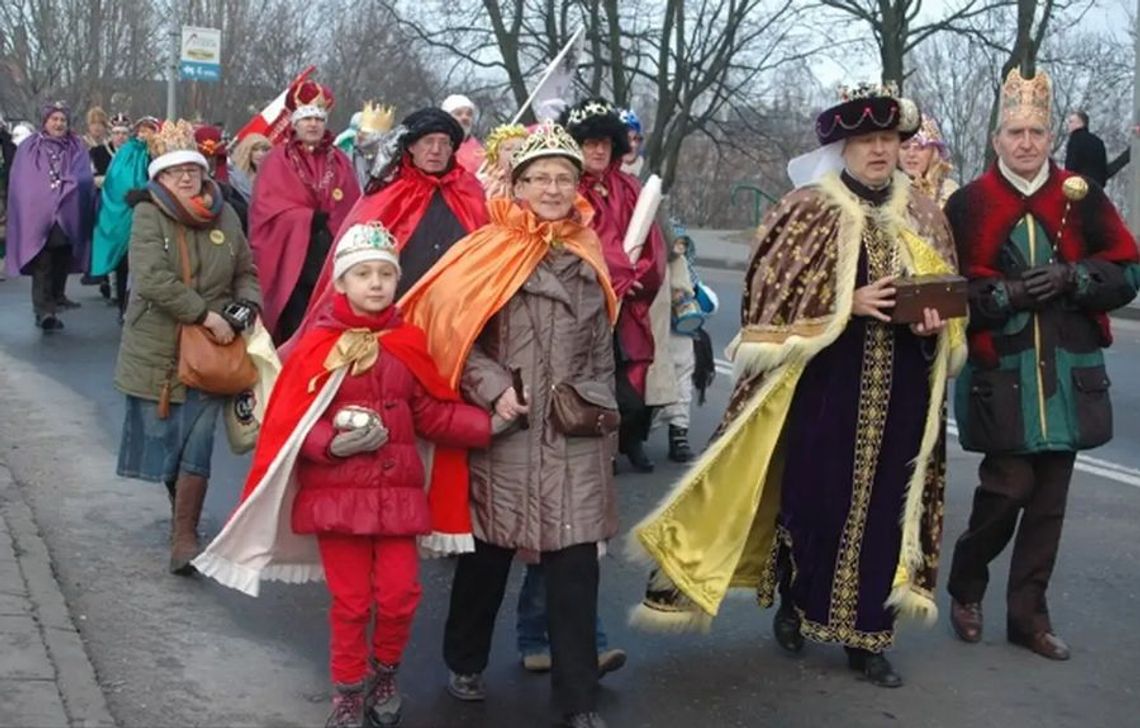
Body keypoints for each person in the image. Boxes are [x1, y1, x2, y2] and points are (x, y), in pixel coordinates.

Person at [630, 83, 967, 690]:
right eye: (866, 139)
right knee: (816, 500)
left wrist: (936, 320)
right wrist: (848, 302)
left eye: (888, 139)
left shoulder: (923, 213)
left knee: (887, 510)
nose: (879, 151)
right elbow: (768, 301)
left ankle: (869, 639)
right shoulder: (807, 207)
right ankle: (794, 600)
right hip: (826, 384)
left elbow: (949, 295)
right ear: (843, 145)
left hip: (904, 389)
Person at [193, 221, 496, 728]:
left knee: (400, 597)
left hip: (399, 501)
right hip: (336, 501)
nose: (375, 284)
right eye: (363, 274)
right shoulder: (316, 344)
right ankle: (349, 690)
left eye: (384, 274)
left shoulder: (407, 343)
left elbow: (430, 413)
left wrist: (492, 424)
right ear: (340, 283)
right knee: (352, 603)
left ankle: (386, 674)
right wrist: (330, 444)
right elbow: (291, 421)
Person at [398, 121, 620, 728]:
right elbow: (452, 338)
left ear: (579, 187)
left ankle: (578, 699)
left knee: (576, 569)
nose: (552, 188)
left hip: (574, 431)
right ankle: (464, 658)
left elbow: (602, 347)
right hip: (507, 431)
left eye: (563, 177)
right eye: (539, 177)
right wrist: (495, 390)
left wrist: (605, 415)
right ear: (517, 185)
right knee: (487, 558)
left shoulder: (585, 251)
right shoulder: (486, 251)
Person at [945, 69, 1140, 661]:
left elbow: (1128, 271)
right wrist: (1004, 296)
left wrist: (1074, 277)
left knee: (1049, 504)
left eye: (1036, 131)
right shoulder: (970, 203)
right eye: (1014, 131)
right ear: (997, 138)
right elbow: (947, 291)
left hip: (1068, 376)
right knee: (1006, 490)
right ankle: (967, 583)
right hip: (1000, 376)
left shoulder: (1080, 195)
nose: (1026, 142)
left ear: (1050, 134)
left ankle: (1029, 616)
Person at [113, 119, 260, 575]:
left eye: (192, 171)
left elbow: (247, 271)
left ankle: (185, 538)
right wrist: (204, 314)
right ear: (160, 177)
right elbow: (153, 278)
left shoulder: (227, 213)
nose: (186, 178)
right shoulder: (147, 214)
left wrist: (244, 309)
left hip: (214, 350)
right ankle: (182, 510)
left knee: (199, 440)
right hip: (161, 343)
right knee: (167, 444)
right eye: (175, 173)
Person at [298, 107, 487, 318]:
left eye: (444, 143)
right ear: (411, 147)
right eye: (428, 141)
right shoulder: (389, 194)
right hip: (396, 312)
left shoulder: (470, 191)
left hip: (458, 310)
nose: (436, 150)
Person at [561, 98, 665, 473]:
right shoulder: (567, 189)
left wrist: (640, 278)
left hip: (627, 305)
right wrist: (614, 278)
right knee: (588, 380)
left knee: (632, 382)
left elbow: (651, 242)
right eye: (590, 142)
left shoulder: (629, 187)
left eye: (606, 142)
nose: (599, 149)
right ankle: (598, 448)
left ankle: (629, 440)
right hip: (585, 303)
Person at [249, 78, 361, 343]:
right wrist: (306, 219)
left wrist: (335, 226)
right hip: (291, 257)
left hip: (330, 257)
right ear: (295, 123)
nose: (313, 124)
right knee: (293, 327)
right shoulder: (277, 159)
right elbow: (266, 209)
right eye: (307, 119)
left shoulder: (340, 160)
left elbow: (353, 205)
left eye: (318, 119)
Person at [5, 101, 96, 330]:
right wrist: (43, 195)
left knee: (62, 259)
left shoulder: (76, 146)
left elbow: (84, 177)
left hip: (69, 214)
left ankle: (56, 297)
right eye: (54, 119)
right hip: (38, 214)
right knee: (42, 262)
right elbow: (23, 181)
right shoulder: (30, 147)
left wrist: (69, 187)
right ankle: (43, 311)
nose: (59, 124)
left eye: (63, 120)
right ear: (45, 122)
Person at [90, 116, 159, 316]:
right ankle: (122, 303)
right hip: (124, 211)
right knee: (124, 262)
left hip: (150, 210)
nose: (146, 134)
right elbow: (115, 181)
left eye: (150, 130)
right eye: (143, 130)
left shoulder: (156, 152)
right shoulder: (125, 153)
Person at [194, 124, 249, 233]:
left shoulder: (234, 180)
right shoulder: (186, 181)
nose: (208, 162)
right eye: (204, 157)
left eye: (213, 157)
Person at [899, 114, 959, 207]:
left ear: (933, 153)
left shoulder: (949, 193)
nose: (911, 154)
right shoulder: (881, 190)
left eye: (919, 148)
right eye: (904, 147)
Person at [478, 123, 529, 199]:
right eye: (508, 149)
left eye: (521, 150)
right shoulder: (480, 183)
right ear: (496, 154)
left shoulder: (529, 190)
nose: (515, 153)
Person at [442, 94, 486, 176]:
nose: (465, 118)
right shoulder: (439, 145)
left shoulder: (480, 148)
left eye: (469, 114)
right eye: (458, 114)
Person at [1064, 110, 1108, 187]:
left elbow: (1071, 165)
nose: (1068, 125)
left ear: (1080, 123)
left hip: (1079, 187)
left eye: (1071, 122)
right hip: (1096, 187)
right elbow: (1103, 169)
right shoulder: (1098, 141)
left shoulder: (1075, 140)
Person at [229, 133, 271, 203]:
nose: (260, 154)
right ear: (246, 150)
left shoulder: (269, 179)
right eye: (255, 149)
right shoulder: (231, 175)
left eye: (264, 150)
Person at [619, 109, 645, 178]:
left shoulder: (643, 178)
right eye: (627, 139)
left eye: (636, 139)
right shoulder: (602, 177)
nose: (633, 145)